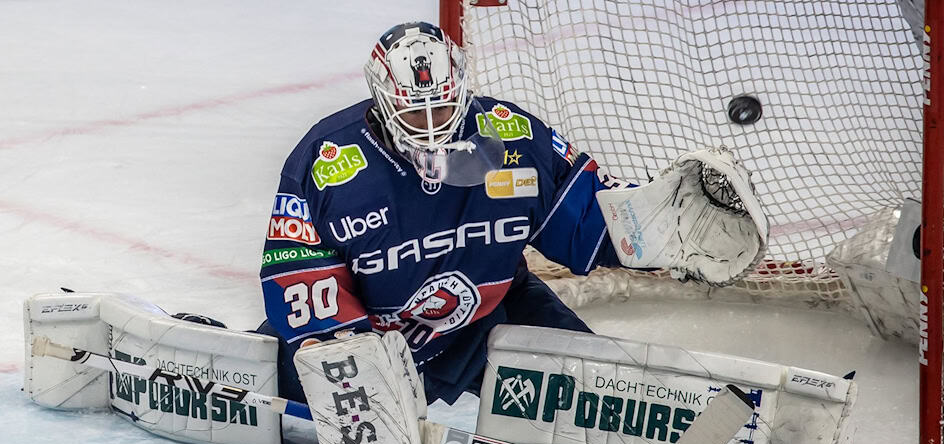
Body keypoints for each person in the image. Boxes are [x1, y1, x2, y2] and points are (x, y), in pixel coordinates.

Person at [258, 21, 765, 407]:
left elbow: (586, 218)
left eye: (444, 106)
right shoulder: (330, 162)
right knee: (261, 384)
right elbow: (298, 276)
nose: (432, 127)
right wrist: (348, 355)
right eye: (416, 112)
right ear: (383, 102)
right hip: (372, 343)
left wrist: (657, 225)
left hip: (490, 321)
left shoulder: (509, 137)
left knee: (609, 392)